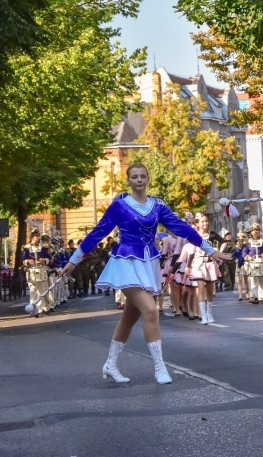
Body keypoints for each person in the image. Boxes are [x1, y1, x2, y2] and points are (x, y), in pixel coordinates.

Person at [61, 163, 231, 384]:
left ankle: (110, 364)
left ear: (148, 179)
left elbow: (182, 228)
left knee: (130, 318)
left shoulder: (158, 206)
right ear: (129, 180)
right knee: (151, 310)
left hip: (148, 263)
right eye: (134, 177)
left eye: (142, 176)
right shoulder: (119, 205)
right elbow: (98, 232)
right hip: (126, 263)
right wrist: (74, 260)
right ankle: (160, 368)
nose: (139, 180)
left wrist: (210, 249)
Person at [185, 214, 221, 324]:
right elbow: (191, 252)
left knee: (210, 290)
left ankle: (209, 312)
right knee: (200, 288)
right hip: (198, 264)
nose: (205, 223)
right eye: (202, 222)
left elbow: (224, 242)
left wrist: (218, 253)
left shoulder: (212, 235)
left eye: (206, 221)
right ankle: (203, 315)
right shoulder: (195, 236)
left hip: (210, 264)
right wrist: (188, 266)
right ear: (198, 224)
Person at [22, 229, 50, 317]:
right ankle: (33, 310)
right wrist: (28, 261)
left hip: (41, 270)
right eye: (36, 235)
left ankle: (40, 309)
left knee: (41, 291)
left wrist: (44, 260)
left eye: (38, 235)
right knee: (32, 290)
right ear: (32, 236)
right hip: (31, 271)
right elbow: (23, 260)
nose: (38, 237)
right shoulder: (26, 247)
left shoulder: (43, 247)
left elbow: (49, 258)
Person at [241, 223, 263, 305]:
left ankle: (261, 298)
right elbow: (243, 252)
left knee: (261, 281)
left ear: (259, 231)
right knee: (253, 281)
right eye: (253, 230)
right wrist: (247, 257)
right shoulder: (247, 242)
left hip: (261, 262)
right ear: (251, 232)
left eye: (257, 230)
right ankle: (253, 296)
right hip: (252, 263)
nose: (255, 232)